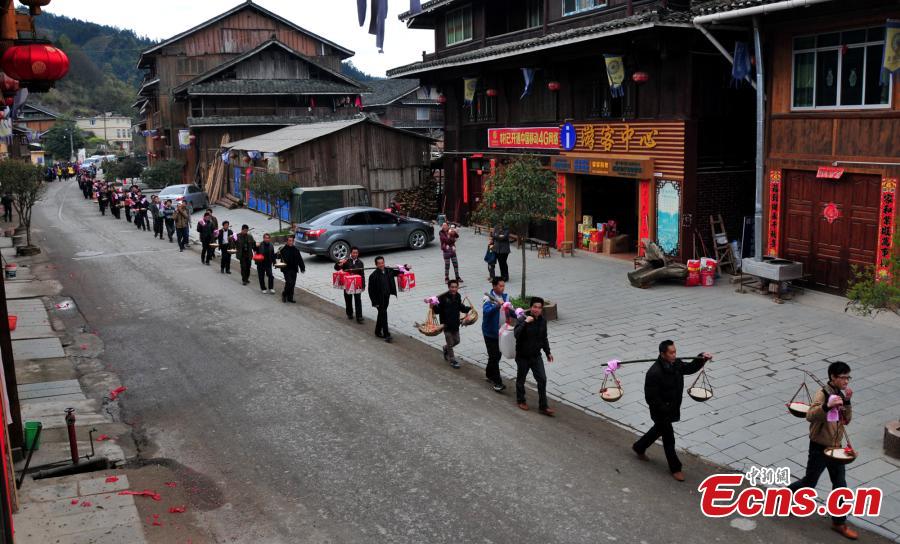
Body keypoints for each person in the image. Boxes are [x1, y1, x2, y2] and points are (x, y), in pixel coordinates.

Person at [788, 362, 857, 540]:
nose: (846, 381)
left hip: (836, 448)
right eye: (843, 377)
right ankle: (783, 497)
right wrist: (827, 406)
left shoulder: (841, 394)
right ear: (833, 377)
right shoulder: (822, 393)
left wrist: (847, 401)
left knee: (840, 485)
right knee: (809, 483)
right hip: (819, 447)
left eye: (848, 377)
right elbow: (810, 416)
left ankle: (839, 523)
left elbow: (847, 420)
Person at [632, 340, 712, 482]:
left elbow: (690, 368)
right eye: (671, 353)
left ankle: (639, 447)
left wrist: (701, 358)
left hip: (672, 407)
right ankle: (675, 468)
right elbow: (651, 398)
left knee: (657, 430)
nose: (674, 355)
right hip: (660, 411)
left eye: (675, 352)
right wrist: (665, 410)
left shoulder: (676, 364)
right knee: (669, 438)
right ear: (663, 354)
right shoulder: (654, 372)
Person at [514, 297, 555, 415]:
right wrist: (525, 323)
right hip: (523, 355)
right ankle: (521, 400)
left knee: (542, 379)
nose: (537, 310)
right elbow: (516, 334)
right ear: (531, 307)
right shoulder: (522, 319)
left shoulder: (543, 321)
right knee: (521, 379)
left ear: (541, 309)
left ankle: (543, 406)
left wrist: (548, 352)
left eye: (539, 308)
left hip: (536, 356)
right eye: (535, 307)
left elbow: (544, 338)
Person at [367, 257, 409, 343]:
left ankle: (377, 331)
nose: (381, 265)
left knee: (381, 314)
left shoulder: (389, 271)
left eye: (382, 263)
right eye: (379, 263)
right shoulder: (373, 276)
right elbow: (370, 291)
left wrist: (406, 267)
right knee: (384, 314)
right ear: (376, 265)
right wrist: (374, 302)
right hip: (378, 299)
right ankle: (387, 334)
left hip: (386, 296)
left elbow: (399, 272)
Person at [432, 280, 471, 369]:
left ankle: (445, 348)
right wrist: (433, 304)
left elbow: (460, 307)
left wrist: (468, 308)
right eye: (452, 287)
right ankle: (452, 360)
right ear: (448, 287)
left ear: (457, 287)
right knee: (450, 343)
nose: (454, 289)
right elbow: (437, 311)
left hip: (455, 323)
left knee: (457, 340)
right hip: (445, 324)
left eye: (455, 287)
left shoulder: (458, 296)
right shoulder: (442, 298)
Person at [481, 277, 510, 392]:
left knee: (496, 356)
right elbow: (486, 312)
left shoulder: (505, 297)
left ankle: (489, 373)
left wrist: (518, 313)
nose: (502, 288)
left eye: (503, 286)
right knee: (494, 356)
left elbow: (509, 310)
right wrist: (497, 306)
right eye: (500, 286)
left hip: (502, 332)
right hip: (490, 333)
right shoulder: (487, 298)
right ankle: (497, 382)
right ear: (494, 286)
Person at [334, 247, 365, 323]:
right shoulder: (346, 261)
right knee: (348, 299)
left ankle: (359, 317)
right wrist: (339, 263)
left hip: (357, 284)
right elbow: (336, 268)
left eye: (356, 253)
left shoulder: (360, 263)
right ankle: (349, 313)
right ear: (351, 253)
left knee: (358, 300)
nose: (355, 254)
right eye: (354, 253)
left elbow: (362, 275)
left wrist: (363, 285)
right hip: (347, 283)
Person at [277, 236, 305, 303]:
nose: (291, 242)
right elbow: (277, 257)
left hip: (294, 269)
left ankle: (290, 297)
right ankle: (284, 294)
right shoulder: (283, 249)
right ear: (287, 241)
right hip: (286, 269)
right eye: (289, 241)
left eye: (292, 241)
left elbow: (300, 259)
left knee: (293, 284)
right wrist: (278, 254)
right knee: (289, 282)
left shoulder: (296, 250)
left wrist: (302, 268)